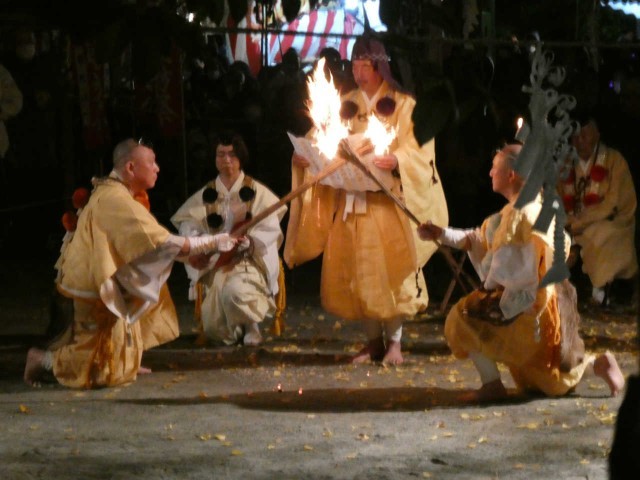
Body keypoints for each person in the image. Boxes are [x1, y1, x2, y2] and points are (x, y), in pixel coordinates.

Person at [284, 36, 448, 365]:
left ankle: (395, 343)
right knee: (357, 275)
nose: (358, 74)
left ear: (379, 67)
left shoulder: (403, 105)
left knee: (390, 273)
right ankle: (373, 341)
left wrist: (398, 159)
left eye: (365, 67)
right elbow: (320, 140)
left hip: (385, 203)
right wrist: (307, 157)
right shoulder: (345, 103)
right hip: (351, 200)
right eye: (355, 66)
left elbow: (419, 148)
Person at [418, 144, 625, 401]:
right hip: (542, 303)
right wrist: (441, 234)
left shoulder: (523, 213)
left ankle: (492, 385)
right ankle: (596, 364)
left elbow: (518, 267)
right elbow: (479, 239)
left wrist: (495, 300)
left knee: (461, 318)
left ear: (511, 174)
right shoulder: (521, 209)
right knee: (543, 375)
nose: (490, 173)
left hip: (530, 304)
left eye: (494, 168)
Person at [23, 138, 236, 388]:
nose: (157, 168)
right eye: (152, 163)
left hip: (103, 276)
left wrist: (190, 255)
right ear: (131, 168)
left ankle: (127, 361)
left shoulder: (118, 192)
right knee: (100, 372)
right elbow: (160, 242)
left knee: (149, 301)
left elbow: (145, 246)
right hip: (90, 286)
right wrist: (215, 241)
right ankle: (43, 360)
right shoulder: (115, 199)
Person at [171, 132, 286, 346]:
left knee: (235, 292)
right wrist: (208, 243)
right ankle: (236, 327)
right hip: (217, 262)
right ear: (214, 159)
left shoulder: (257, 192)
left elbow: (270, 227)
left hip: (248, 261)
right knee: (215, 330)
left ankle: (252, 325)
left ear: (240, 158)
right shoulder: (205, 195)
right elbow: (188, 226)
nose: (226, 160)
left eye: (232, 155)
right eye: (221, 154)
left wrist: (250, 242)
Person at [560, 117, 638, 306]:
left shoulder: (613, 160)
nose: (580, 140)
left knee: (600, 234)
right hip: (572, 223)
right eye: (576, 136)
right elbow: (557, 197)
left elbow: (614, 203)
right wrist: (567, 221)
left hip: (611, 221)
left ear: (597, 135)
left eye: (585, 135)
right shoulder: (566, 163)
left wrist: (581, 222)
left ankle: (600, 290)